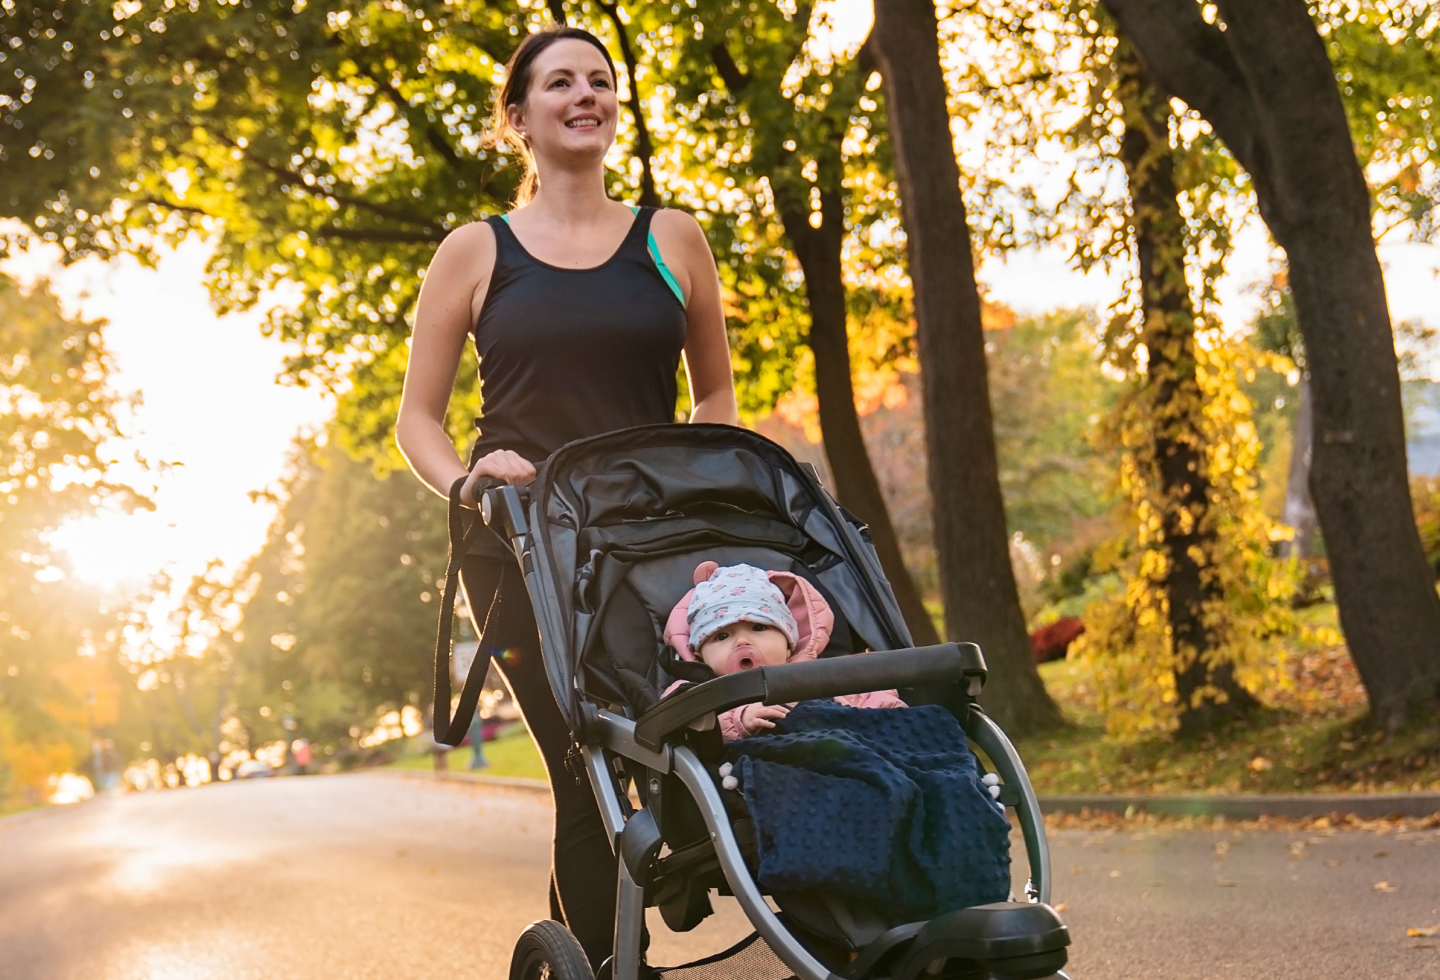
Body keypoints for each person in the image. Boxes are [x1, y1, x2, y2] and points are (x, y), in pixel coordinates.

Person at [395, 24, 737, 972]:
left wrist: (704, 466)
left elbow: (715, 394)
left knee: (665, 749)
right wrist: (466, 481)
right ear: (520, 117)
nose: (585, 95)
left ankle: (581, 956)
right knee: (584, 763)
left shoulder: (672, 237)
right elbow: (417, 420)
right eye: (559, 84)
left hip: (653, 539)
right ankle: (601, 960)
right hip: (518, 552)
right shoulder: (476, 251)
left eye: (600, 81)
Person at [662, 562, 904, 741]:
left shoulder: (822, 674)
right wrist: (738, 722)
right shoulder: (696, 692)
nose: (742, 641)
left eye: (759, 627)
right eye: (721, 636)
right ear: (700, 654)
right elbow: (674, 727)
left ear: (789, 643)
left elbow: (874, 701)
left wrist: (887, 718)